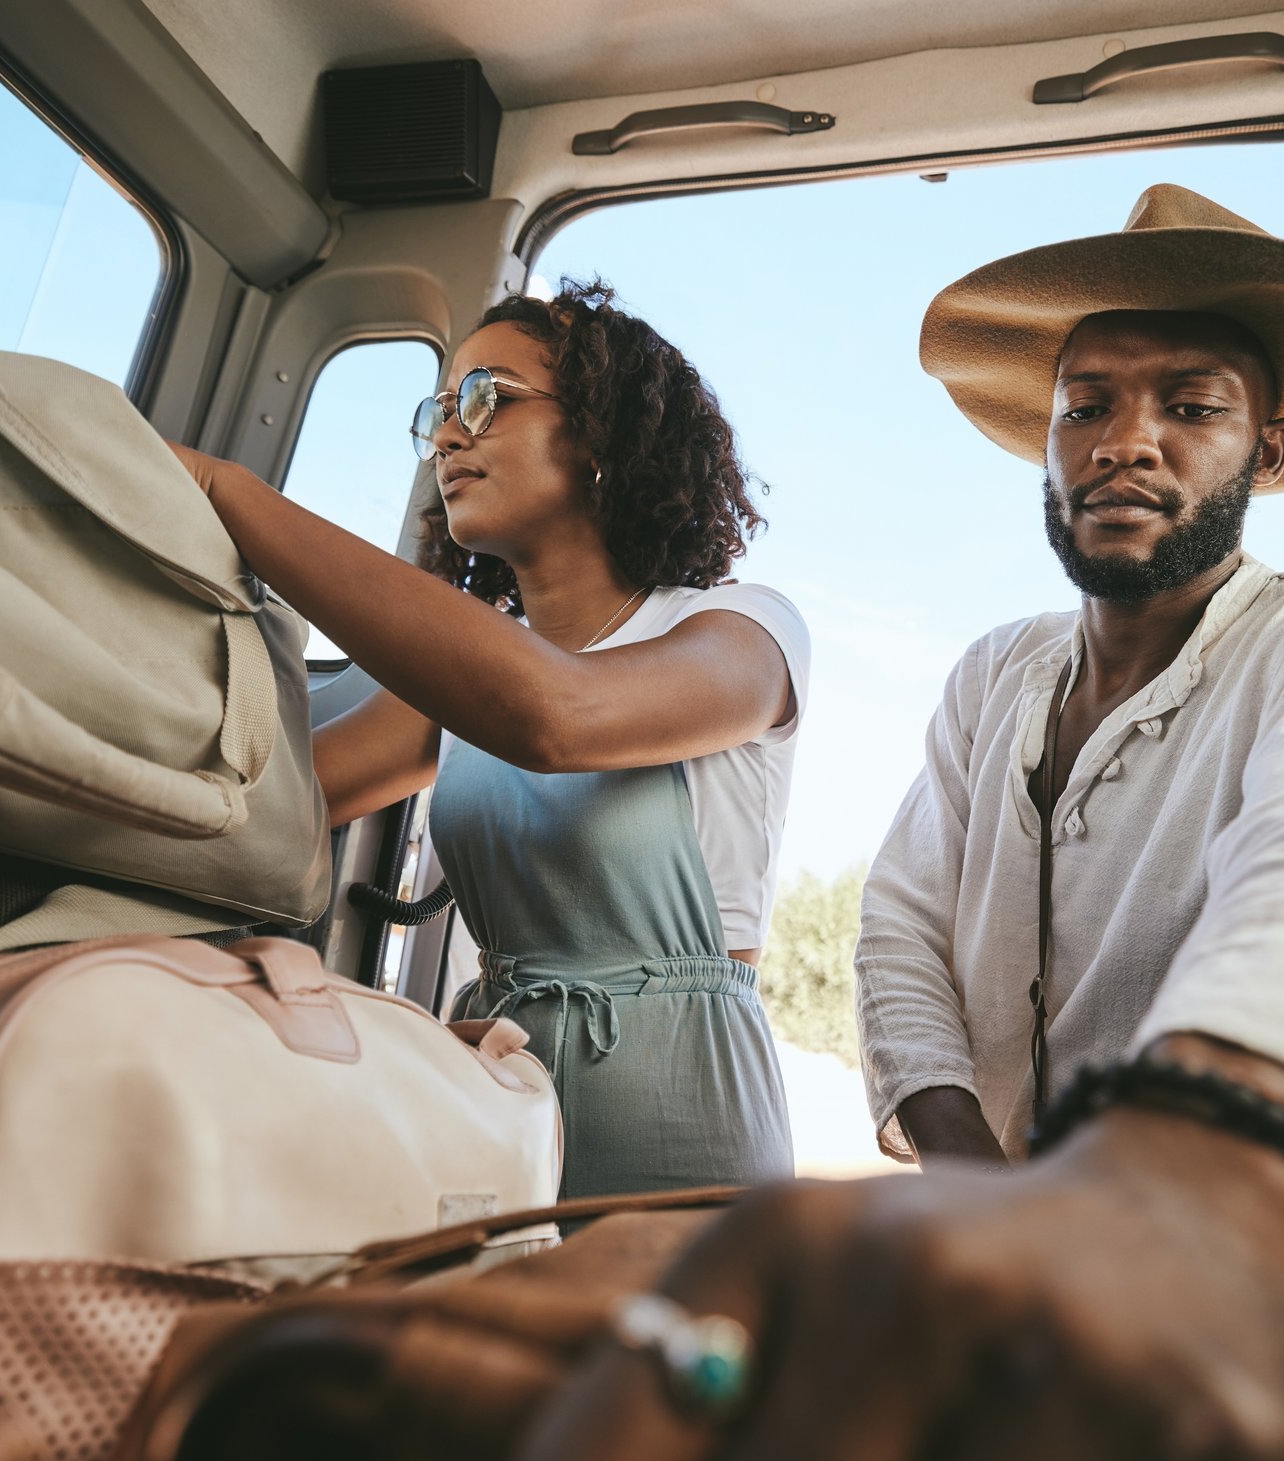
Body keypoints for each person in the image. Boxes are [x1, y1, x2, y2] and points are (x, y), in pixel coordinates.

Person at [492, 187, 1284, 1461]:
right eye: (1086, 403)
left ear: (1265, 453)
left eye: (1191, 407)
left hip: (1194, 1271)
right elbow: (900, 933)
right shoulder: (994, 675)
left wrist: (1186, 1183)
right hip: (986, 1229)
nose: (1125, 439)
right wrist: (985, 1194)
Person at [172, 280, 808, 1198]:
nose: (446, 436)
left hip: (683, 1125)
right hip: (497, 1106)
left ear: (599, 431)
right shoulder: (476, 676)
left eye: (485, 400)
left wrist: (225, 492)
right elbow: (267, 805)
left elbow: (558, 716)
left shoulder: (747, 632)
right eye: (438, 409)